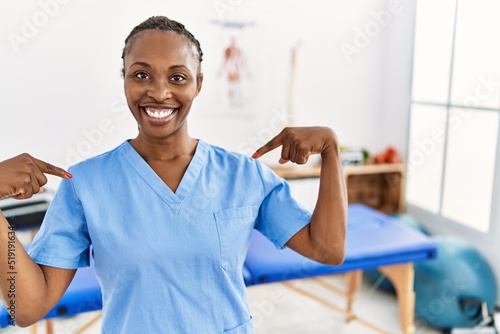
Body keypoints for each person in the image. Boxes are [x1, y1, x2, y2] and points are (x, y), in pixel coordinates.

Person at [0, 16, 347, 333]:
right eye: (142, 74)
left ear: (198, 84)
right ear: (124, 79)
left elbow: (328, 249)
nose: (160, 92)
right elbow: (27, 307)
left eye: (177, 77)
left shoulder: (244, 175)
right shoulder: (85, 185)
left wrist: (331, 150)